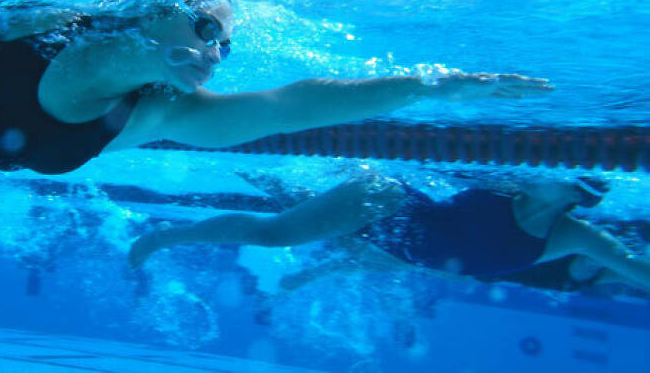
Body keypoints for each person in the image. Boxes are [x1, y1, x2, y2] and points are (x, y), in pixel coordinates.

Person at [0, 0, 551, 178]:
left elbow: (288, 106)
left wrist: (428, 87)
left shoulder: (166, 114)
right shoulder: (58, 23)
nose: (221, 53)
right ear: (156, 13)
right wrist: (160, 61)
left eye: (229, 44)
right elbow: (89, 66)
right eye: (209, 30)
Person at [127, 174, 650, 292]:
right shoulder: (503, 180)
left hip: (403, 246)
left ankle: (282, 191)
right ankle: (165, 237)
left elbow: (637, 269)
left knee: (383, 261)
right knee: (277, 232)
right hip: (386, 201)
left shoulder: (575, 237)